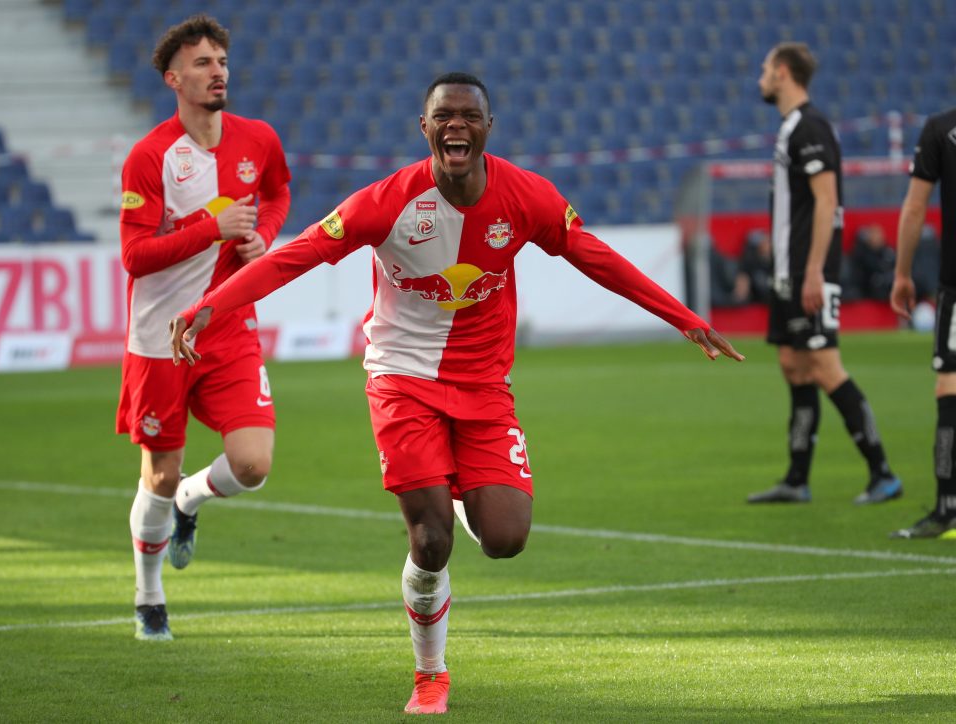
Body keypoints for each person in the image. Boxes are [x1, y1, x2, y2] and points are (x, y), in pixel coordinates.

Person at [169, 72, 743, 714]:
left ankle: (464, 490)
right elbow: (293, 256)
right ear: (426, 129)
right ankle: (430, 674)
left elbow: (598, 258)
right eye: (444, 115)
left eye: (469, 115)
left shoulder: (527, 197)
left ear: (487, 128)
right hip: (401, 379)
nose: (456, 125)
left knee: (505, 537)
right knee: (432, 539)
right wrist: (209, 306)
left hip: (484, 385)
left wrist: (683, 317)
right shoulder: (384, 203)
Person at [116, 14, 291, 641]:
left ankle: (194, 500)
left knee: (252, 464)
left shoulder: (258, 139)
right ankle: (149, 595)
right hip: (159, 339)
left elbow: (277, 192)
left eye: (220, 60)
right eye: (201, 63)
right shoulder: (150, 157)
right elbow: (134, 256)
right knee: (158, 474)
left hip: (227, 326)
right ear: (173, 79)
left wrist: (264, 236)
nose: (217, 71)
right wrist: (208, 231)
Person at [746, 43, 902, 505]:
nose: (761, 77)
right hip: (787, 271)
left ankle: (883, 472)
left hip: (808, 270)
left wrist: (814, 271)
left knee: (824, 366)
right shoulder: (791, 128)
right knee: (793, 365)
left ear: (784, 72)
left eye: (765, 69)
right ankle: (797, 479)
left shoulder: (809, 127)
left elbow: (827, 201)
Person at [890, 107, 956, 538]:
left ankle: (948, 508)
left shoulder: (942, 128)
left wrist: (902, 274)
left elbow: (915, 208)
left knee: (949, 385)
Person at [848, 224, 895, 301]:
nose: (878, 238)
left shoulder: (887, 252)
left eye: (879, 235)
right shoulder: (862, 255)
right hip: (867, 291)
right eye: (874, 235)